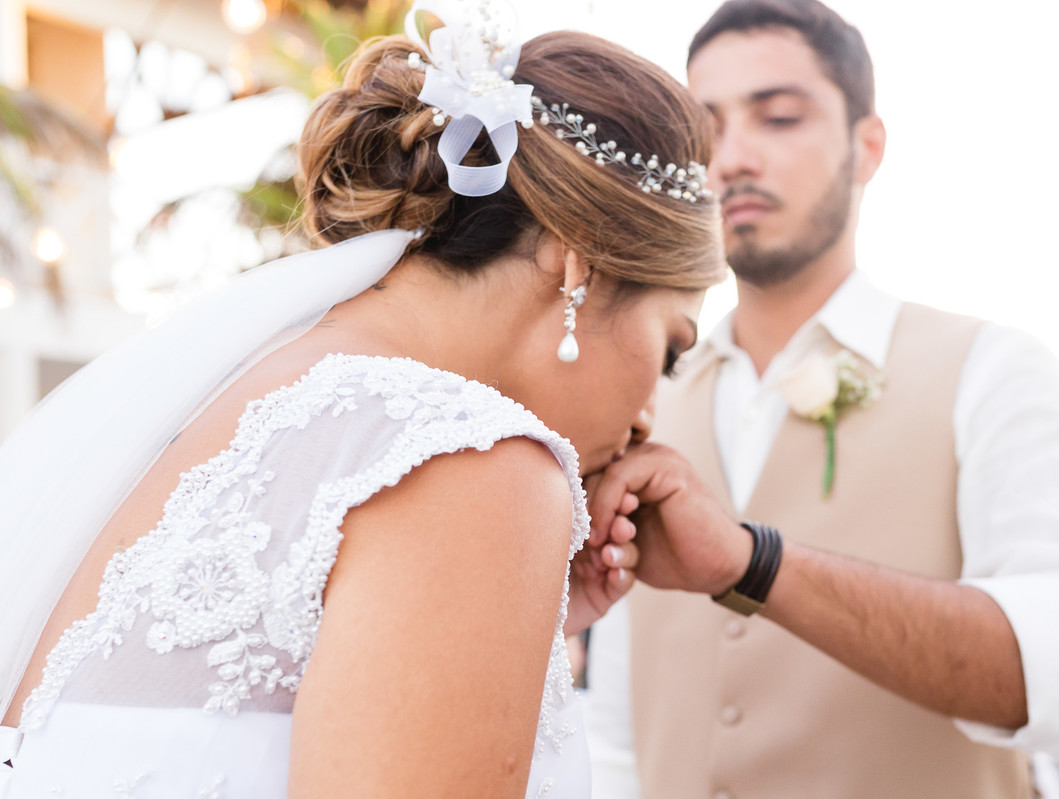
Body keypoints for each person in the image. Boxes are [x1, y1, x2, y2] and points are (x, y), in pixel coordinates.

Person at [0, 4, 726, 797]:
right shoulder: (476, 462)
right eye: (672, 347)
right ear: (576, 267)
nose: (650, 412)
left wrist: (516, 628)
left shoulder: (220, 397)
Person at [581, 1, 1059, 797]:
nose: (734, 157)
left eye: (778, 117)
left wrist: (758, 566)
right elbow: (617, 733)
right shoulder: (645, 395)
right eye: (706, 129)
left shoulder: (994, 371)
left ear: (868, 145)